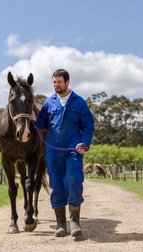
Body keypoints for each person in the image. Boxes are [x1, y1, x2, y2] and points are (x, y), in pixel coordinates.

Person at [36, 68, 94, 237]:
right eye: (54, 82)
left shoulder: (79, 102)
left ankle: (74, 221)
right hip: (53, 151)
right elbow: (41, 124)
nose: (56, 85)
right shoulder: (49, 102)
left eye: (59, 82)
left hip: (73, 149)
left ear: (67, 82)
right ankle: (61, 223)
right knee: (56, 185)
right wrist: (32, 118)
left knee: (73, 179)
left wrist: (84, 143)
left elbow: (88, 126)